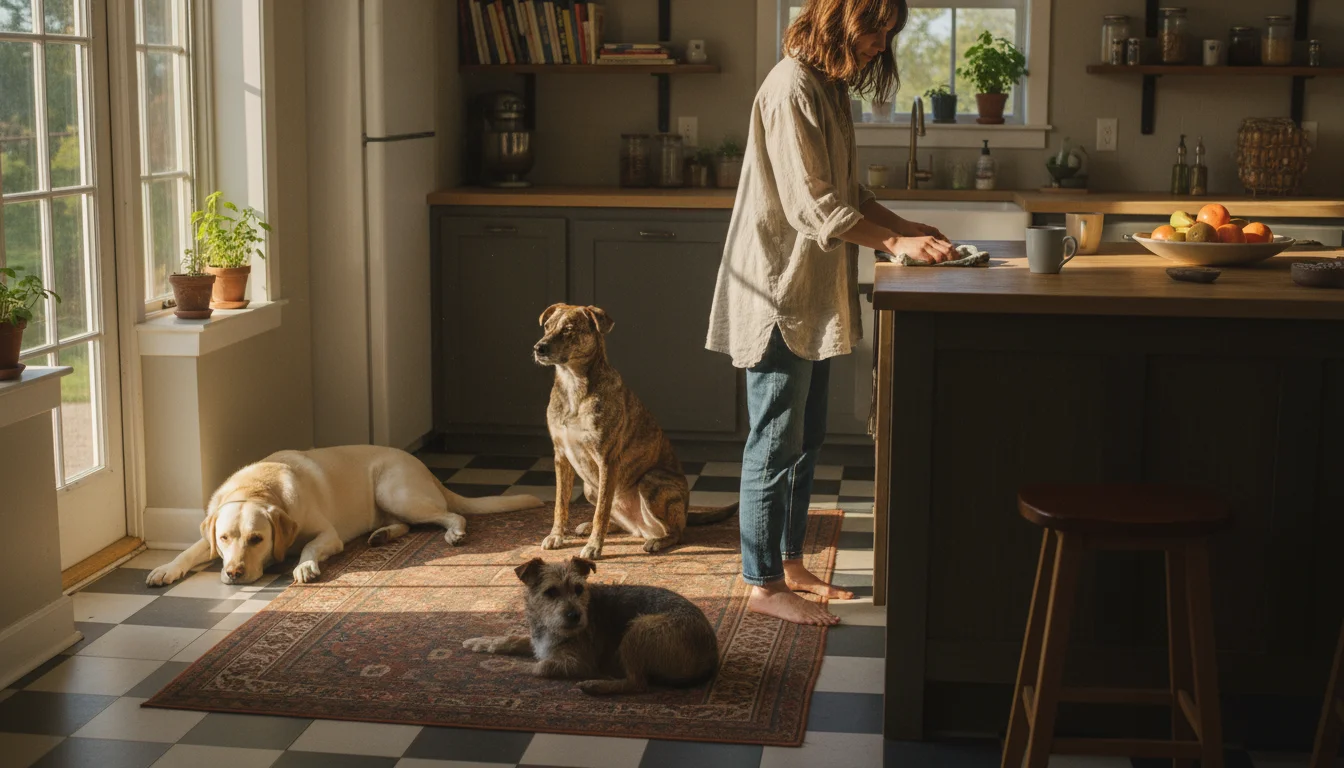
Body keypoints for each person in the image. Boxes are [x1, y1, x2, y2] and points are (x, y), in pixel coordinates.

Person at [706, 0, 952, 626]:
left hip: (810, 291)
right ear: (841, 21)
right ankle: (762, 586)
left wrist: (902, 225)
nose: (880, 44)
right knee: (773, 440)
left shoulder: (828, 87)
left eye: (888, 34)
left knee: (805, 439)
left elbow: (849, 192)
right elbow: (812, 207)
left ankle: (789, 562)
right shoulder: (792, 88)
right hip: (779, 291)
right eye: (874, 29)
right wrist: (893, 244)